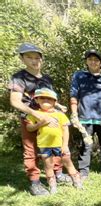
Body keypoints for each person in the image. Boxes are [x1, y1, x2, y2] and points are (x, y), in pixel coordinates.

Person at [8, 43, 69, 196]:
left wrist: (59, 106)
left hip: (50, 118)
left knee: (55, 144)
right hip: (30, 118)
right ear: (22, 59)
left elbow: (47, 97)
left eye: (37, 58)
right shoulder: (19, 78)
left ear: (42, 60)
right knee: (31, 150)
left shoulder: (47, 79)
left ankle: (57, 174)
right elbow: (15, 101)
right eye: (29, 57)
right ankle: (35, 182)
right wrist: (37, 115)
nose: (34, 61)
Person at [25, 88, 83, 194]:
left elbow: (65, 131)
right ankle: (52, 185)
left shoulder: (60, 114)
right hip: (44, 145)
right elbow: (29, 127)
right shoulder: (35, 114)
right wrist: (40, 123)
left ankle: (77, 180)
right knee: (48, 165)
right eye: (42, 98)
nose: (46, 100)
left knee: (67, 162)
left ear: (55, 102)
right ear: (36, 100)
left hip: (60, 144)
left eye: (49, 99)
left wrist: (65, 145)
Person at [70, 49, 101, 178]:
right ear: (86, 61)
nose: (93, 62)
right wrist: (74, 115)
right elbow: (74, 95)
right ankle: (83, 171)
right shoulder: (79, 76)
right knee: (86, 145)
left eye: (96, 60)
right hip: (84, 117)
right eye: (90, 59)